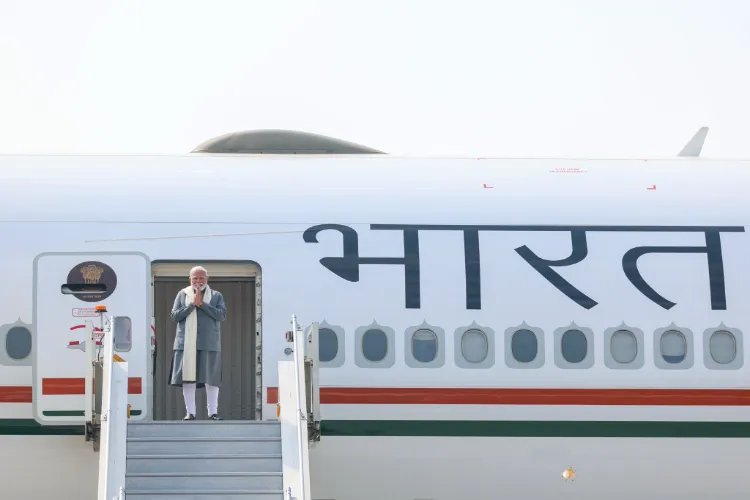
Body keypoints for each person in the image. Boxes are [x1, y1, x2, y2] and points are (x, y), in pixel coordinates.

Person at [169, 265, 227, 420]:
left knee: (211, 378)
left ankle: (212, 412)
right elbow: (175, 316)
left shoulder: (216, 295)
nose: (198, 281)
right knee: (188, 378)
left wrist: (203, 305)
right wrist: (191, 305)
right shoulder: (182, 295)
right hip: (186, 343)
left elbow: (221, 315)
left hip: (209, 343)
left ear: (207, 279)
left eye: (201, 278)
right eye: (195, 278)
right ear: (190, 279)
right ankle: (190, 413)